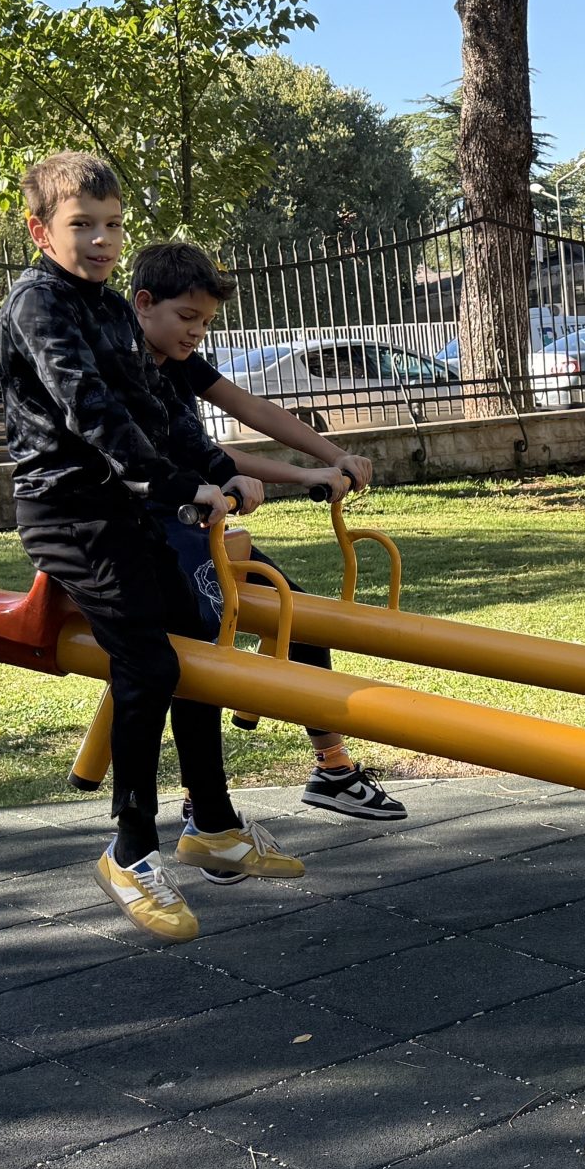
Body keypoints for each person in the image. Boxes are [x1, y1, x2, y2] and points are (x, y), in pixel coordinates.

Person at [0, 153, 302, 943]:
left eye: (112, 225)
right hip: (68, 513)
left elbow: (157, 409)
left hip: (123, 510)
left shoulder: (107, 307)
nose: (102, 240)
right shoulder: (38, 302)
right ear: (41, 231)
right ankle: (129, 850)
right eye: (82, 225)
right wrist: (177, 486)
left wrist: (214, 470)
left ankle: (214, 826)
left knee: (197, 645)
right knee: (151, 663)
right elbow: (89, 408)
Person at [127, 240, 407, 825]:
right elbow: (196, 458)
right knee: (201, 651)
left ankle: (333, 767)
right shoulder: (123, 370)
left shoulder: (178, 361)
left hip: (201, 527)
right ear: (144, 303)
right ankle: (204, 801)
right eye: (187, 316)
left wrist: (330, 457)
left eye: (206, 322)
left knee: (294, 613)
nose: (197, 331)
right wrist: (295, 474)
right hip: (149, 534)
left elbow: (251, 410)